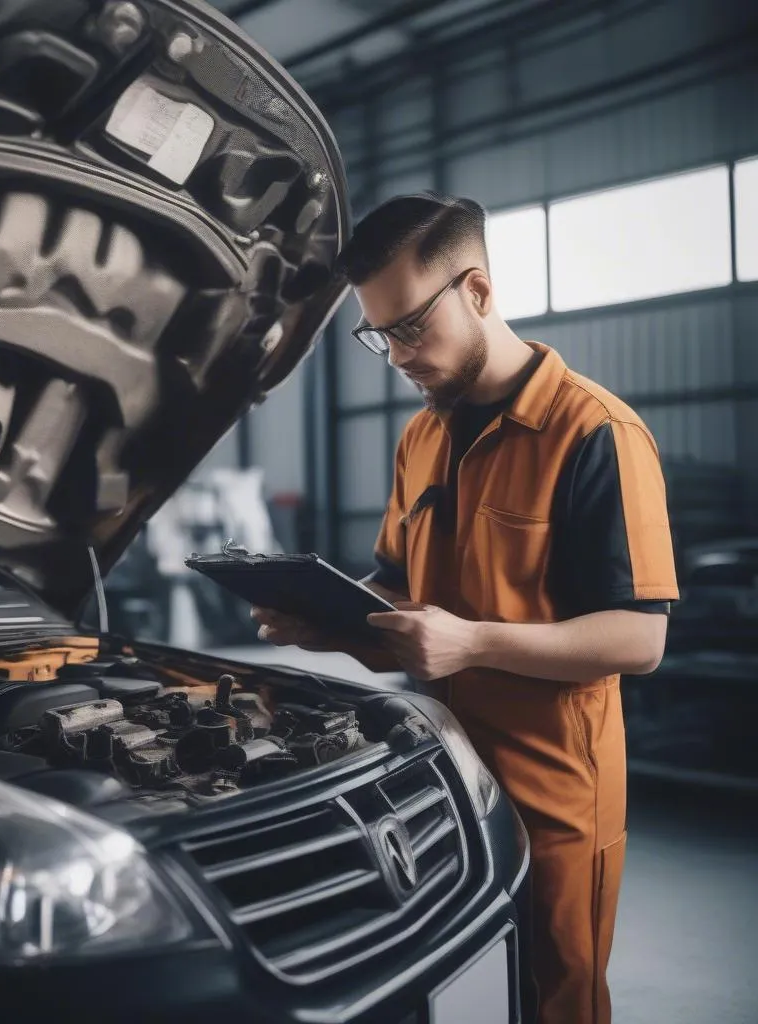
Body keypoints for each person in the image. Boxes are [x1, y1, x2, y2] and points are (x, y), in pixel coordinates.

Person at [252, 192, 679, 1024]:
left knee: (556, 997)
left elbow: (640, 638)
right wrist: (329, 623)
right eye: (379, 336)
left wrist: (472, 643)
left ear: (477, 291)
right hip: (436, 780)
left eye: (410, 327)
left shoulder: (594, 434)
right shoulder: (422, 438)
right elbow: (396, 587)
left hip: (554, 795)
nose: (396, 356)